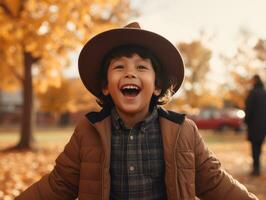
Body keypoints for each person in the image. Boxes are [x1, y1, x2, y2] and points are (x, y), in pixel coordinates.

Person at [16, 22, 258, 200]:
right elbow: (58, 185)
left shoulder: (183, 132)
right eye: (119, 66)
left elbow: (215, 182)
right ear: (105, 86)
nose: (130, 73)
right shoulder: (87, 133)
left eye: (141, 67)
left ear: (157, 86)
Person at [244, 74, 266, 176]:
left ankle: (256, 169)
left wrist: (246, 121)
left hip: (254, 126)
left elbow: (249, 109)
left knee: (254, 147)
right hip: (263, 126)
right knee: (259, 146)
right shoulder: (264, 93)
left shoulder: (253, 93)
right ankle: (257, 167)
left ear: (255, 80)